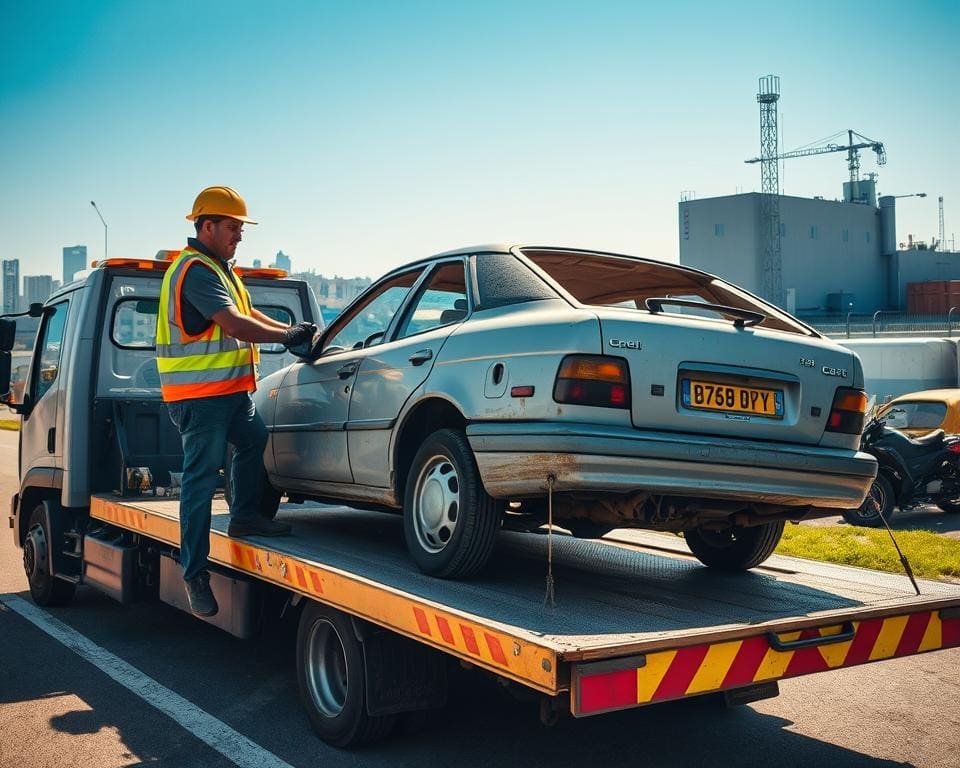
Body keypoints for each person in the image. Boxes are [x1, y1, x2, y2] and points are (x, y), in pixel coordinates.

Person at [156, 185, 316, 617]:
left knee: (253, 439)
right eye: (232, 227)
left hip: (229, 393)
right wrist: (285, 336)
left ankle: (244, 516)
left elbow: (248, 313)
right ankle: (194, 574)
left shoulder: (221, 268)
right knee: (200, 481)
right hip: (201, 397)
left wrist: (290, 329)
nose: (239, 235)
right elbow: (232, 323)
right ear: (206, 226)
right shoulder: (195, 270)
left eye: (241, 228)